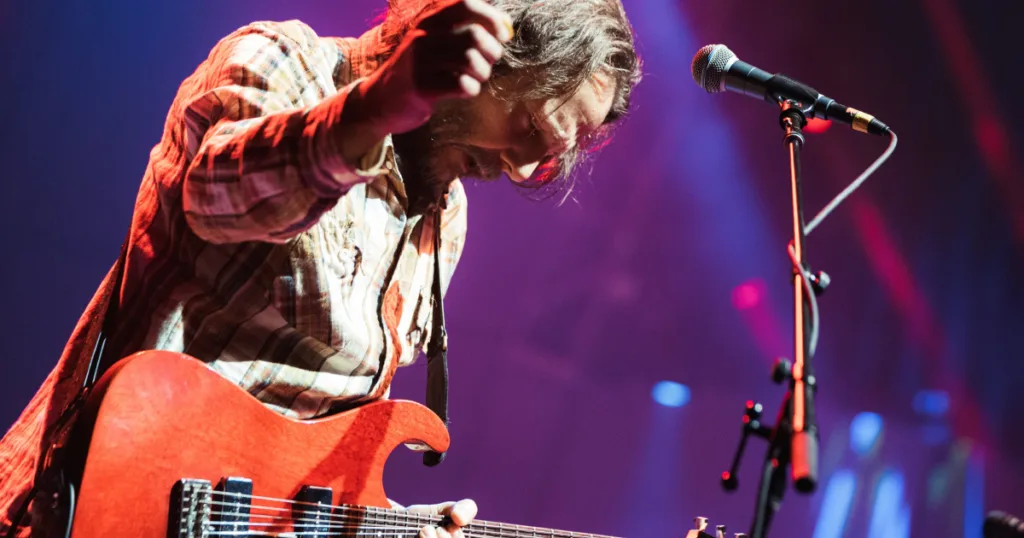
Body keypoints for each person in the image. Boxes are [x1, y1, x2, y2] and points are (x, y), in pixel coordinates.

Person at [0, 0, 641, 535]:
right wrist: (376, 109)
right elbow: (216, 200)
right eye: (528, 126)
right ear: (477, 50)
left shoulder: (449, 218)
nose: (522, 168)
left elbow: (320, 444)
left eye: (551, 158)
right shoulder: (286, 62)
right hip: (101, 505)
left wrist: (390, 521)